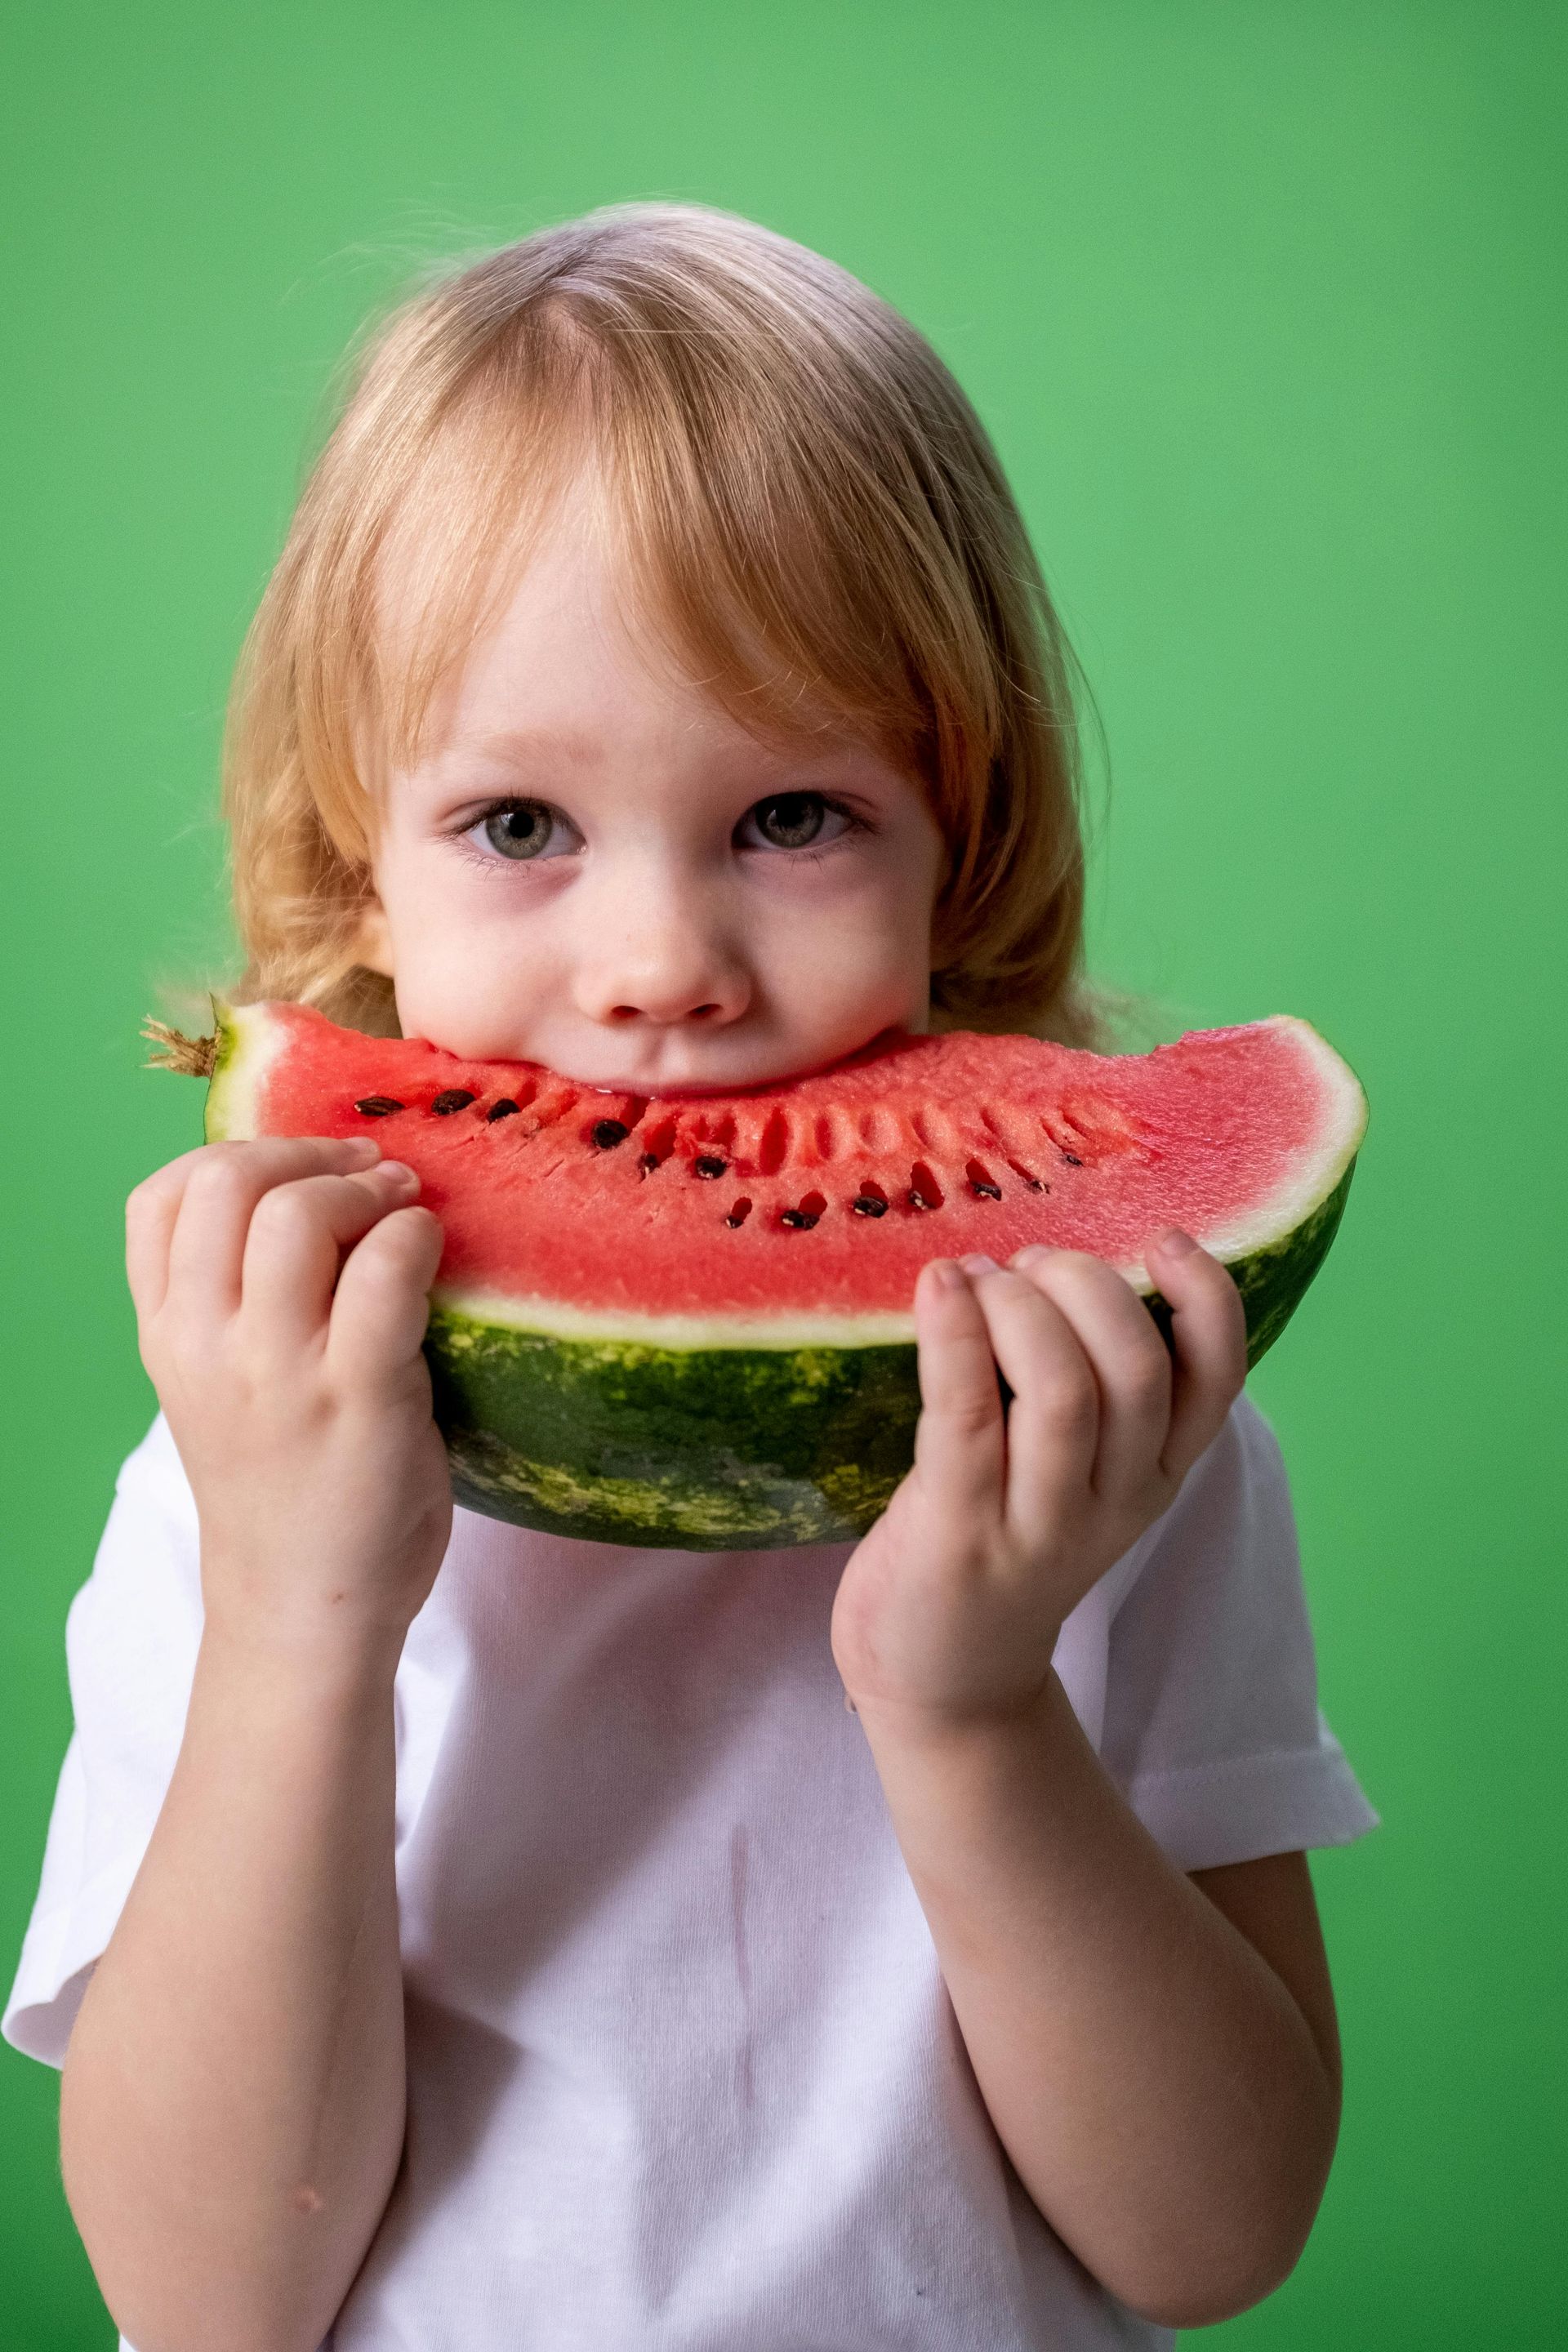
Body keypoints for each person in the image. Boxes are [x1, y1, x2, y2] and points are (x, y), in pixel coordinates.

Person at [3, 204, 1376, 2352]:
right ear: (357, 847)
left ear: (965, 834)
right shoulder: (240, 1472)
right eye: (522, 826)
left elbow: (1214, 2244)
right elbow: (205, 2300)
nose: (659, 970)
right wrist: (297, 1615)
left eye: (795, 816)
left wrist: (977, 1701)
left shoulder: (1120, 1438)